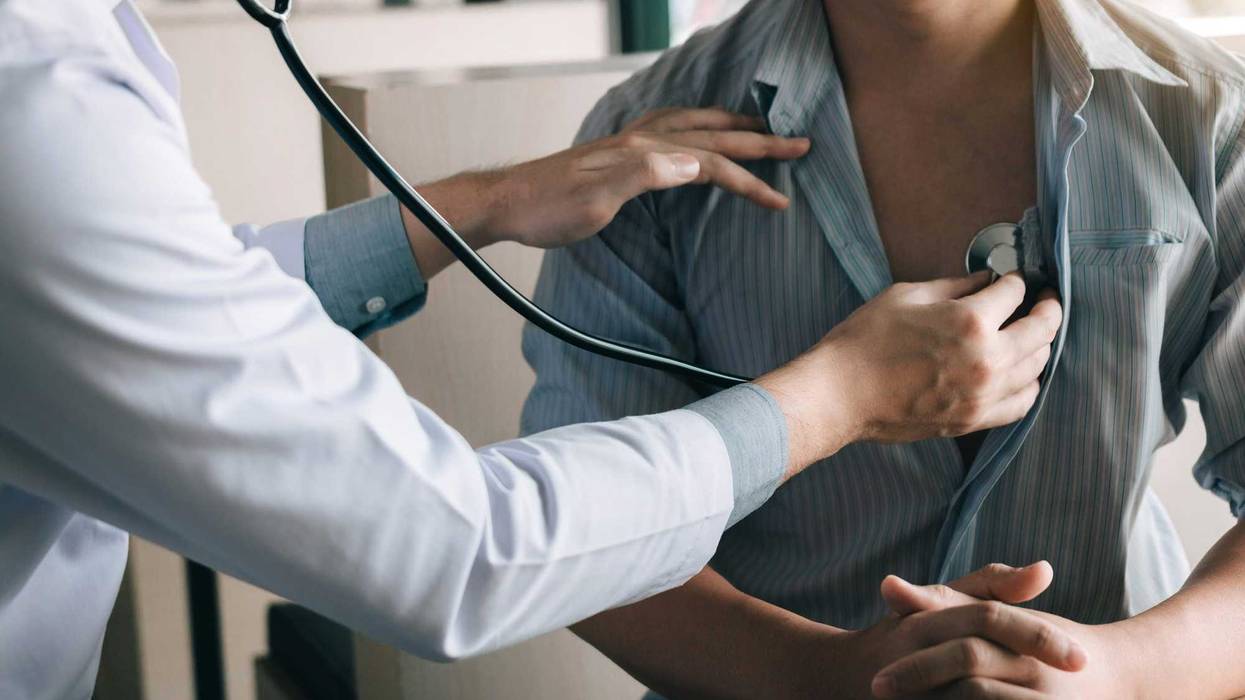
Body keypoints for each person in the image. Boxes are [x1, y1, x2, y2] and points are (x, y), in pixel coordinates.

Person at [0, 0, 1068, 698]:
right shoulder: (31, 103)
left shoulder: (1199, 115)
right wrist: (838, 395)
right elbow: (459, 550)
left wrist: (485, 206)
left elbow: (160, 314)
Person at [520, 0, 1245, 697]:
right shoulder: (640, 141)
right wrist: (814, 676)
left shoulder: (1211, 116)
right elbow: (584, 536)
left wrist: (1126, 676)